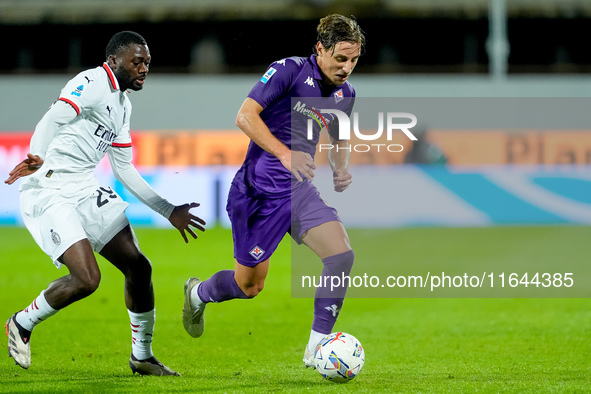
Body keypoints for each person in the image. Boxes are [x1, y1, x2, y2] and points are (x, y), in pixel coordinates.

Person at [4, 31, 205, 376]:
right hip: (50, 190)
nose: (144, 69)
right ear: (114, 60)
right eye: (137, 62)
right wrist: (36, 155)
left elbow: (124, 169)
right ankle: (21, 322)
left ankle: (142, 357)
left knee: (139, 267)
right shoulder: (92, 82)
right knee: (86, 279)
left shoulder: (123, 104)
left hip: (83, 187)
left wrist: (168, 210)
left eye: (147, 63)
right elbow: (53, 118)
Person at [182, 14, 364, 368]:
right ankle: (198, 293)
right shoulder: (289, 71)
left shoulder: (345, 93)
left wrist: (340, 168)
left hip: (298, 192)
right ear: (320, 50)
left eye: (354, 60)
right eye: (340, 59)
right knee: (249, 286)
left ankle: (316, 348)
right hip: (257, 194)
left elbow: (339, 136)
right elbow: (245, 116)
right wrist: (284, 153)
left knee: (341, 255)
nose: (347, 68)